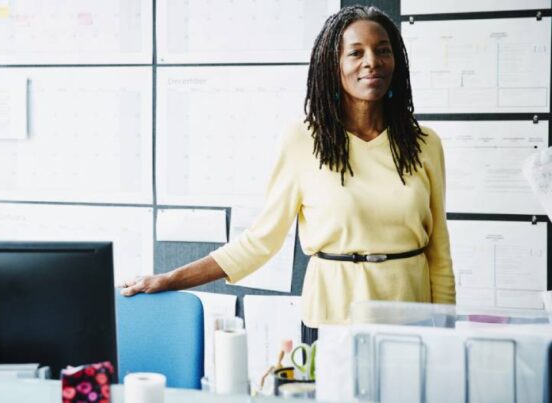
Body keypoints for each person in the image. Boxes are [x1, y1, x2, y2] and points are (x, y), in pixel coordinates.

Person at [120, 5, 455, 344]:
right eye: (356, 52)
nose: (372, 61)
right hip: (333, 318)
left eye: (383, 51)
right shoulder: (303, 141)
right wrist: (170, 279)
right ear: (333, 65)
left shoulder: (424, 144)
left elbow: (439, 252)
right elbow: (260, 241)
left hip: (412, 318)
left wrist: (446, 333)